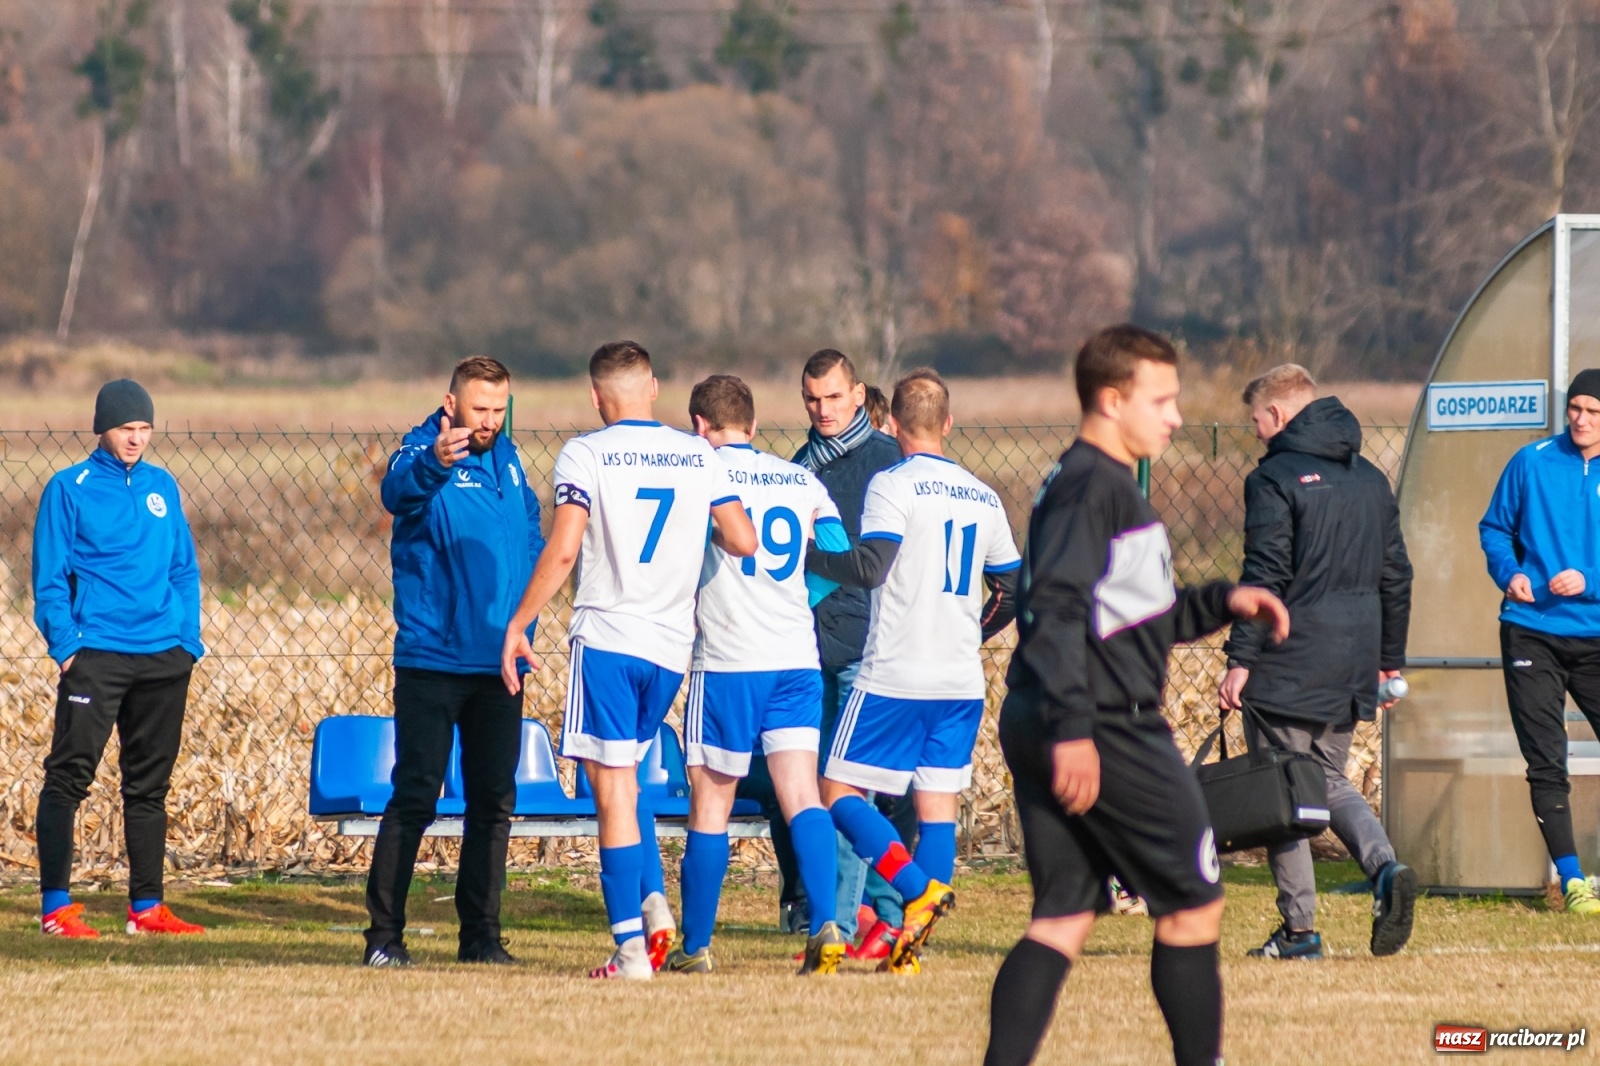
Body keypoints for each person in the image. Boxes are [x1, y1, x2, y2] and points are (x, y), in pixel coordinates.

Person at [983, 326, 1289, 1066]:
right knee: (1194, 904)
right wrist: (1075, 730)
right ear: (1113, 401)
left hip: (1057, 713)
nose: (1177, 416)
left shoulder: (1086, 480)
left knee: (1061, 917)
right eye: (1164, 400)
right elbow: (1052, 611)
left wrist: (1224, 600)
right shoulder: (1094, 488)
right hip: (1102, 724)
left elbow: (1133, 614)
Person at [500, 341, 757, 980]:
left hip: (610, 639)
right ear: (654, 388)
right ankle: (652, 906)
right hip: (670, 646)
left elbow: (563, 551)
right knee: (628, 779)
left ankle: (630, 950)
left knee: (610, 789)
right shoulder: (698, 453)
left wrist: (519, 622)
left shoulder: (585, 452)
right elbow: (743, 539)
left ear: (595, 397)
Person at [808, 367, 1021, 973]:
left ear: (892, 424)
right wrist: (966, 632)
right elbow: (1009, 587)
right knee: (937, 812)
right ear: (948, 425)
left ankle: (914, 891)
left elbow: (872, 566)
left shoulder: (891, 483)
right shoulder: (983, 493)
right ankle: (907, 951)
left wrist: (808, 556)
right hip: (958, 679)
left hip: (896, 672)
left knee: (837, 792)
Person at [1218, 364, 1417, 959]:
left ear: (1277, 414)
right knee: (1325, 780)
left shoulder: (1274, 478)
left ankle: (1301, 930)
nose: (1255, 433)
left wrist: (1240, 658)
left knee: (1284, 790)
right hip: (1352, 659)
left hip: (1288, 657)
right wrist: (1388, 659)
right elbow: (1396, 575)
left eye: (1256, 421)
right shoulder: (1371, 479)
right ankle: (1384, 871)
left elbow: (1266, 574)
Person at [363, 356, 545, 967]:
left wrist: (525, 628)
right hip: (433, 660)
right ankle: (384, 937)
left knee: (493, 802)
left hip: (500, 663)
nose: (490, 420)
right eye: (479, 409)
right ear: (451, 404)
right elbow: (396, 491)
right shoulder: (425, 450)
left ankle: (481, 939)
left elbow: (531, 544)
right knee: (415, 794)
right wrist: (436, 463)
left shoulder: (511, 462)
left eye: (499, 409)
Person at [668, 374, 848, 975]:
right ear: (752, 425)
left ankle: (694, 946)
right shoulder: (801, 478)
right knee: (802, 795)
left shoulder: (699, 477)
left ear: (699, 426)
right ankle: (825, 921)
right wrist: (798, 593)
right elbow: (837, 553)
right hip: (795, 655)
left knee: (710, 803)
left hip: (728, 662)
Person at [31, 379, 207, 938]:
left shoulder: (162, 486)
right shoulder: (69, 488)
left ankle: (146, 908)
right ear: (102, 428)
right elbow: (50, 579)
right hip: (97, 656)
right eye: (126, 428)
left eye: (144, 428)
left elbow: (183, 569)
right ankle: (56, 910)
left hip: (163, 657)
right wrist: (68, 649)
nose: (136, 439)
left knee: (149, 785)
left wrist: (188, 640)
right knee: (68, 778)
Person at [790, 349, 911, 957]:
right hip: (811, 645)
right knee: (833, 788)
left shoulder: (888, 464)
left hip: (873, 646)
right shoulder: (798, 465)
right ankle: (888, 912)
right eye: (813, 398)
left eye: (834, 396)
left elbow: (879, 565)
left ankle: (838, 922)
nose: (824, 409)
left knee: (846, 788)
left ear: (859, 395)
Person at [1479, 368, 1600, 917]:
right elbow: (1494, 528)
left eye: (1593, 411)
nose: (1581, 419)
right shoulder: (1530, 461)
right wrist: (1509, 573)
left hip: (1595, 634)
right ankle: (1573, 881)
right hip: (1532, 631)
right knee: (1546, 759)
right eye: (1575, 407)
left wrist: (1590, 579)